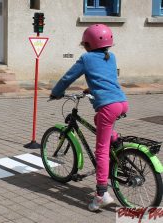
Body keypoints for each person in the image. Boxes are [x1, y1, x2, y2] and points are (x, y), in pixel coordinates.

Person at [50, 24, 128, 211]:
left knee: (101, 151)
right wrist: (90, 89)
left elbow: (68, 78)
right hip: (121, 102)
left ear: (88, 44)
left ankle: (101, 194)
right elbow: (105, 79)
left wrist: (56, 92)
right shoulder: (111, 56)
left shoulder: (86, 58)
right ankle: (115, 141)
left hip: (108, 107)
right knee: (99, 122)